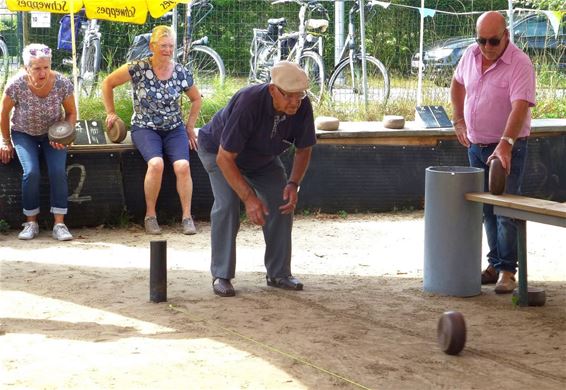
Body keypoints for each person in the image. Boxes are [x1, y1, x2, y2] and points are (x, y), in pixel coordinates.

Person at [197, 61, 316, 297]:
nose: (295, 102)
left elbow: (304, 148)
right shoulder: (249, 102)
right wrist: (249, 198)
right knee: (228, 204)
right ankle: (221, 275)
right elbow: (225, 158)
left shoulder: (301, 106)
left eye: (299, 96)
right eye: (289, 96)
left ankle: (279, 274)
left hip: (262, 157)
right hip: (219, 152)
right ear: (273, 90)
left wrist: (293, 184)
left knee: (282, 203)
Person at [450, 11, 536, 294]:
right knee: (486, 209)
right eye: (481, 40)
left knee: (505, 210)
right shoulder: (470, 55)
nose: (486, 46)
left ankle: (508, 272)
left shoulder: (520, 63)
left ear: (506, 35)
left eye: (493, 41)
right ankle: (495, 263)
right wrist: (458, 120)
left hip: (508, 147)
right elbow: (457, 82)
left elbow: (520, 105)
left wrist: (506, 142)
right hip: (475, 145)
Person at [101, 25, 202, 235]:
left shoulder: (181, 71)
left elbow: (196, 99)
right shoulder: (138, 67)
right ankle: (150, 216)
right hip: (145, 127)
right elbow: (108, 83)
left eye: (171, 46)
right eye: (163, 46)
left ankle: (186, 217)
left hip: (174, 128)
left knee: (183, 166)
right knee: (156, 164)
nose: (167, 50)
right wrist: (111, 112)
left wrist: (190, 126)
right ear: (152, 46)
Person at [0, 43, 77, 241]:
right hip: (24, 133)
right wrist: (5, 141)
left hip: (53, 134)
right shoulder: (15, 84)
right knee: (31, 171)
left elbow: (71, 112)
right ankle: (31, 222)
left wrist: (65, 134)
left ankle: (59, 224)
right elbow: (3, 113)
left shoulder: (62, 82)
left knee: (57, 171)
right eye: (36, 68)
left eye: (46, 67)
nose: (42, 72)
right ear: (27, 68)